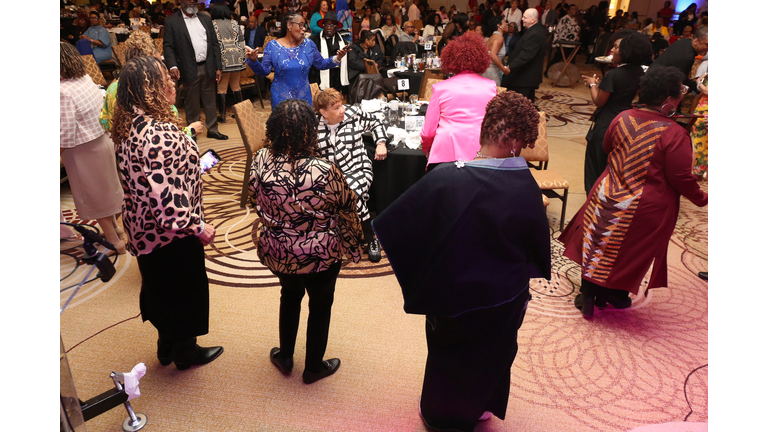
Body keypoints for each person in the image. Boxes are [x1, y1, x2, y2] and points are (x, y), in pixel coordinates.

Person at [372, 91, 551, 432]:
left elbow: (397, 226)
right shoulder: (525, 185)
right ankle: (480, 407)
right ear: (515, 141)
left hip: (452, 292)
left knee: (449, 354)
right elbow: (534, 247)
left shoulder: (446, 178)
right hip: (504, 295)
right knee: (492, 353)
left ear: (485, 128)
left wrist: (426, 270)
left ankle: (441, 416)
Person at [559, 66, 708, 317]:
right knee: (628, 251)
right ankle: (614, 294)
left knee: (598, 240)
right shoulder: (674, 133)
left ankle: (588, 293)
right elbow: (680, 177)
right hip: (643, 204)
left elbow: (608, 147)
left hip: (606, 193)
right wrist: (702, 198)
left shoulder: (622, 117)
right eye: (681, 91)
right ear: (669, 99)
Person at [110, 55, 223, 370]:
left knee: (159, 287)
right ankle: (185, 352)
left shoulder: (129, 125)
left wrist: (192, 166)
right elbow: (168, 204)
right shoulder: (159, 134)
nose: (173, 83)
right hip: (172, 233)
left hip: (142, 227)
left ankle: (167, 344)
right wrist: (198, 227)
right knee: (184, 291)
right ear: (150, 89)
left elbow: (156, 181)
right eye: (165, 79)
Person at [250, 99, 363, 384]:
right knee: (320, 305)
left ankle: (285, 356)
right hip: (321, 253)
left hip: (279, 251)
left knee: (289, 296)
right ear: (311, 130)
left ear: (273, 128)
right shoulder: (324, 169)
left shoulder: (260, 159)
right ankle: (313, 367)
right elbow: (348, 206)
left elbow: (254, 198)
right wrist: (353, 244)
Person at [60, 42, 125, 256]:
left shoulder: (62, 91)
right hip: (102, 140)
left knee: (94, 199)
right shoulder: (85, 78)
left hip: (83, 150)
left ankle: (114, 242)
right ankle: (116, 230)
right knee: (106, 192)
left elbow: (65, 132)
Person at [313, 88, 388, 260]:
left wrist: (381, 143)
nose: (342, 110)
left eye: (341, 105)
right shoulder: (314, 125)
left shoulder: (353, 114)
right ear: (324, 112)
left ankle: (370, 238)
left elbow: (376, 122)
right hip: (328, 174)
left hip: (357, 168)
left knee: (351, 194)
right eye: (336, 108)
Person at [581, 30, 653, 193]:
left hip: (606, 122)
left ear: (628, 51)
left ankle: (593, 199)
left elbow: (599, 102)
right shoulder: (639, 72)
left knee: (595, 164)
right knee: (614, 163)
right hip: (626, 122)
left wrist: (593, 84)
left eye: (616, 47)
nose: (611, 50)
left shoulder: (613, 74)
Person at [99, 31, 203, 140]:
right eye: (158, 66)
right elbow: (164, 136)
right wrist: (190, 130)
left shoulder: (112, 87)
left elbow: (105, 122)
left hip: (122, 144)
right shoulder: (151, 92)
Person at [420, 32, 497, 168]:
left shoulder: (440, 88)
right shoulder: (491, 87)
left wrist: (427, 148)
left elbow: (428, 132)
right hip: (481, 151)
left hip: (446, 151)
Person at [246, 12, 349, 109]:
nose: (304, 29)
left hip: (303, 98)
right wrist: (254, 61)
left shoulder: (309, 45)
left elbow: (321, 64)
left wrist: (337, 58)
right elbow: (264, 71)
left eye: (304, 26)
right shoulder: (273, 46)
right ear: (289, 25)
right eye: (301, 25)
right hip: (281, 99)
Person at [163, 0, 229, 140]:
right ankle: (192, 132)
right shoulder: (172, 21)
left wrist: (218, 66)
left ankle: (213, 129)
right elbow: (168, 46)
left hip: (208, 66)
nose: (192, 1)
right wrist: (173, 66)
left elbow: (214, 44)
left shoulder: (205, 18)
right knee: (192, 103)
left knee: (210, 101)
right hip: (188, 67)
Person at [210, 1, 247, 124]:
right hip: (237, 57)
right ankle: (240, 114)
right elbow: (242, 42)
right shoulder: (235, 23)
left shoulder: (212, 24)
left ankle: (222, 115)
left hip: (223, 58)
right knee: (236, 86)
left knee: (222, 88)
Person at [501, 8, 547, 103]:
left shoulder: (535, 33)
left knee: (520, 104)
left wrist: (510, 67)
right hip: (525, 76)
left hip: (524, 77)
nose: (522, 19)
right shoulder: (534, 29)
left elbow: (527, 54)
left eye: (525, 17)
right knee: (526, 104)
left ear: (533, 20)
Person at [651, 25, 707, 91]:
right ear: (696, 41)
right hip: (657, 85)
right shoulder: (687, 57)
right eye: (707, 44)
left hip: (654, 76)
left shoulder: (685, 41)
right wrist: (698, 85)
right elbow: (680, 83)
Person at [309, 12, 349, 93]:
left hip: (337, 81)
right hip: (318, 80)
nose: (329, 28)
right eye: (326, 25)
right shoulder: (314, 41)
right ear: (323, 26)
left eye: (332, 25)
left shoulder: (343, 43)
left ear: (336, 27)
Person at [545, 3, 579, 74]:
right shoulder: (564, 19)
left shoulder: (576, 20)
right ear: (568, 11)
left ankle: (569, 75)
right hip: (562, 43)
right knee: (556, 59)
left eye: (576, 9)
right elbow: (558, 31)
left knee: (570, 61)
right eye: (573, 9)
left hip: (572, 44)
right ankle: (548, 72)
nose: (575, 11)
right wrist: (554, 43)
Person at [481, 16, 509, 86]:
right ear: (499, 25)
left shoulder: (493, 36)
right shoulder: (499, 37)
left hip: (486, 69)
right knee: (494, 90)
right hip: (491, 71)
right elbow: (493, 55)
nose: (507, 23)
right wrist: (504, 69)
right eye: (504, 22)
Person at [691, 70, 708, 180]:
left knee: (701, 140)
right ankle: (699, 169)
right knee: (700, 140)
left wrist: (698, 82)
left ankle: (700, 169)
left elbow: (707, 91)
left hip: (706, 111)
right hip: (703, 109)